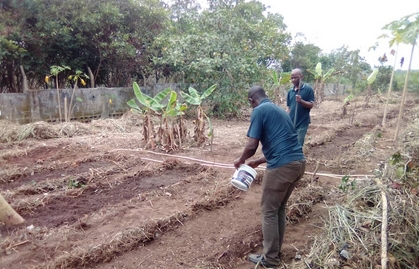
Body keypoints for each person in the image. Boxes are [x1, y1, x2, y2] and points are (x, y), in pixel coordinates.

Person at [234, 86, 306, 268]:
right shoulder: (279, 111)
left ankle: (271, 260)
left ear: (251, 100)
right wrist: (257, 162)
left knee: (268, 211)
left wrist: (241, 160)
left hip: (281, 168)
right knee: (279, 209)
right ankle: (275, 253)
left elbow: (252, 144)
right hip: (298, 164)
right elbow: (284, 143)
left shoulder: (259, 111)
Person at [287, 68, 314, 146]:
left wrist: (301, 101)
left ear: (301, 77)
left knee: (298, 144)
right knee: (290, 143)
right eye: (292, 78)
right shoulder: (290, 92)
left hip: (302, 122)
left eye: (295, 77)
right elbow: (289, 108)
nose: (293, 80)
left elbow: (311, 105)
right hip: (291, 122)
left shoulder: (308, 89)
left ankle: (298, 157)